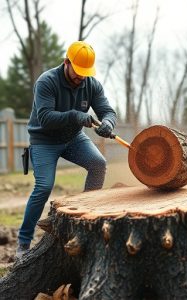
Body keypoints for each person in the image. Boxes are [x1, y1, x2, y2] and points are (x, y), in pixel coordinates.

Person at [16, 41, 117, 259]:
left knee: (98, 164)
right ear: (66, 62)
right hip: (44, 139)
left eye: (85, 73)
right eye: (78, 71)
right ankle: (23, 243)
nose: (81, 77)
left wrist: (108, 122)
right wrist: (74, 115)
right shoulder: (47, 82)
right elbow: (45, 118)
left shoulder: (91, 84)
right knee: (44, 186)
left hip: (74, 138)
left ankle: (86, 221)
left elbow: (107, 110)